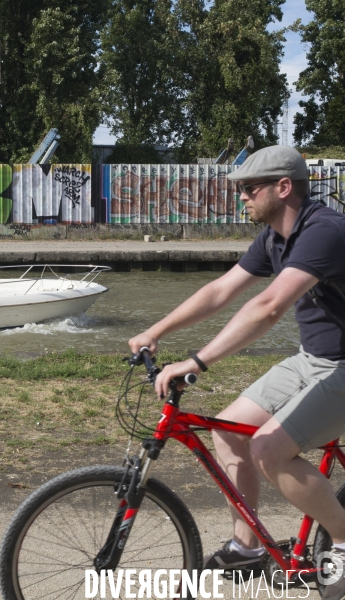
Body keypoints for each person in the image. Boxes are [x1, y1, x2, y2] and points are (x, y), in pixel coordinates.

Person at [129, 145, 345, 600]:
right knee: (229, 431)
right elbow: (221, 289)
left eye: (249, 188)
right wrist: (157, 330)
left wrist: (197, 361)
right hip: (313, 360)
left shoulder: (324, 231)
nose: (241, 197)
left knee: (269, 450)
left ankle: (343, 540)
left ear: (283, 187)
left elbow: (268, 307)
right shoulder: (273, 237)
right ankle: (246, 549)